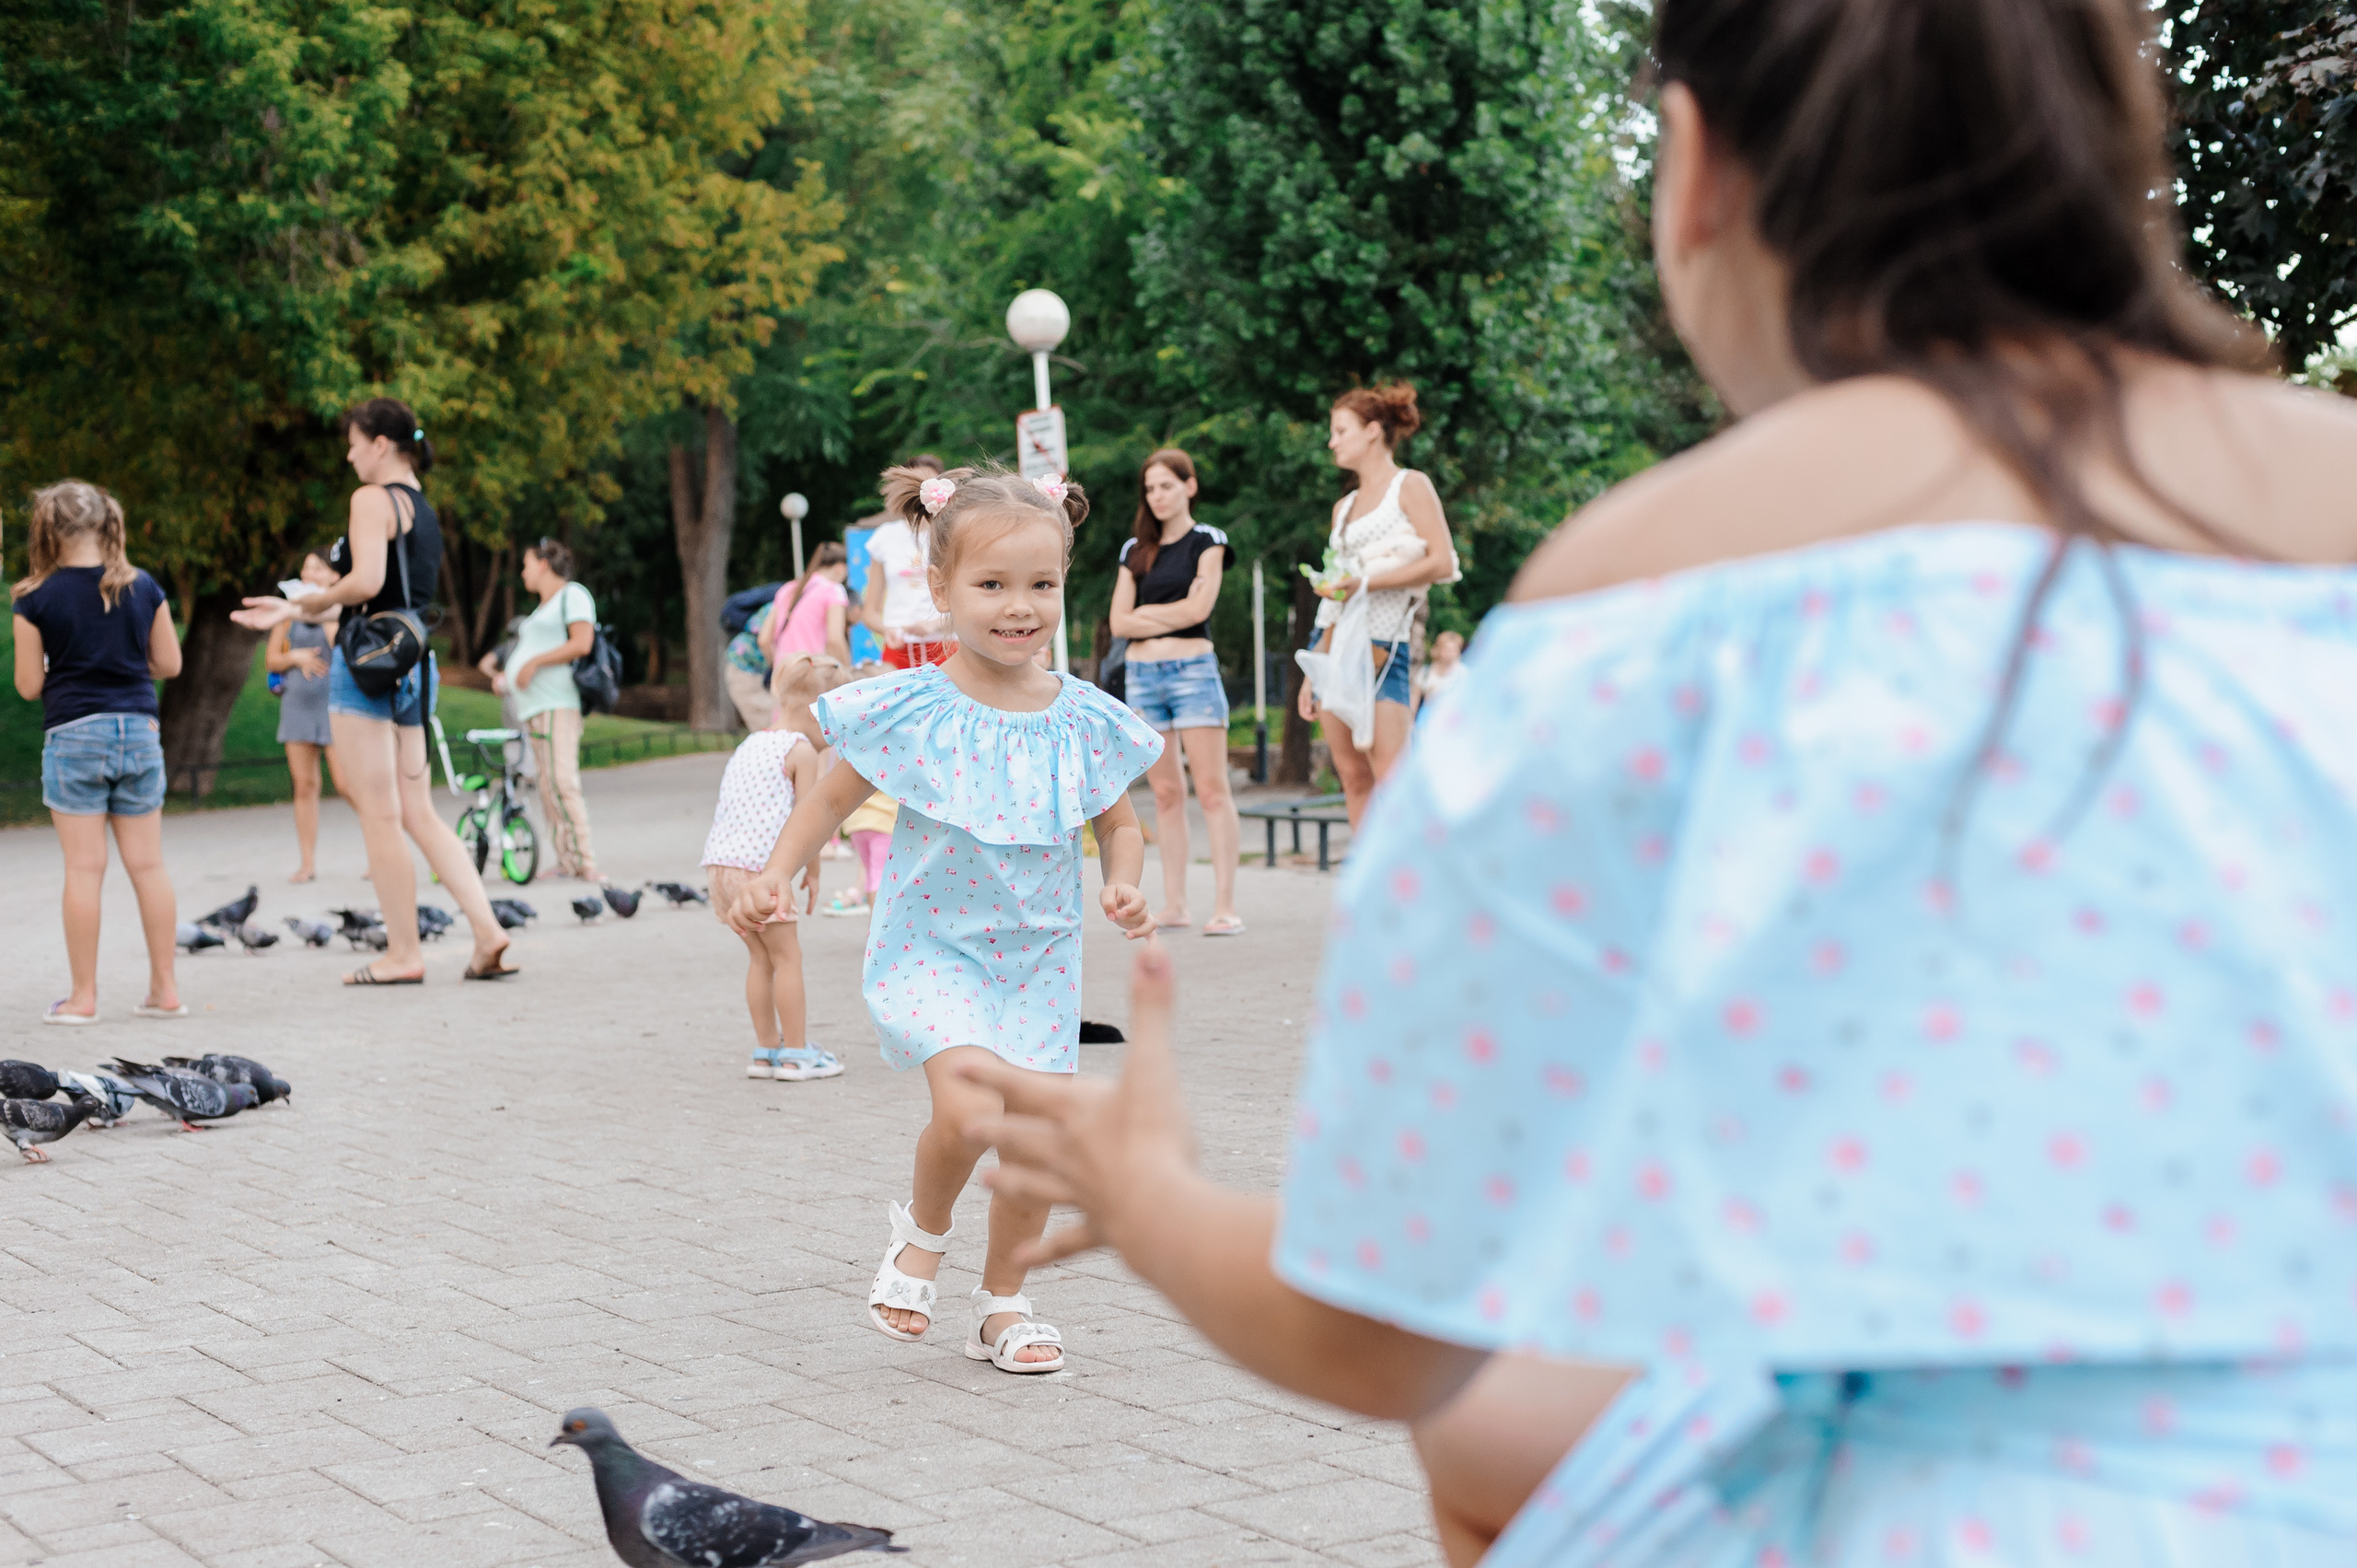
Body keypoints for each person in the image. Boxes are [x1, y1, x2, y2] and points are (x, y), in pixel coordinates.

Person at [965, 0, 2357, 1562]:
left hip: (1861, 1512)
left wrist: (1145, 1189)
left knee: (1495, 1429)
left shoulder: (1630, 606)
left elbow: (1382, 1333)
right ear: (2125, 154)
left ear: (1694, 174)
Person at [727, 462, 1161, 1374]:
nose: (1019, 606)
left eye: (1040, 584)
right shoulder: (914, 705)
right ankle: (921, 1231)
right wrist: (775, 870)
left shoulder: (1080, 719)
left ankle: (1003, 1301)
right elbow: (830, 797)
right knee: (966, 1115)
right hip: (934, 951)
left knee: (1036, 1144)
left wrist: (1123, 882)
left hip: (1037, 963)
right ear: (940, 588)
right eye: (992, 584)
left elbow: (1121, 823)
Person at [233, 397, 515, 984]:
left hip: (365, 666)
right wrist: (298, 604)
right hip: (413, 665)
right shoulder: (423, 507)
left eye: (355, 442)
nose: (349, 453)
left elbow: (366, 581)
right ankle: (489, 932)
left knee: (381, 817)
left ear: (381, 444)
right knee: (420, 812)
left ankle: (403, 954)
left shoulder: (369, 499)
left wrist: (300, 602)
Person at [10, 480, 185, 1025]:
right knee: (149, 864)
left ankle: (83, 999)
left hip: (75, 733)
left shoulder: (34, 598)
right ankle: (166, 991)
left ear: (46, 529)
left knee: (85, 869)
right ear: (106, 524)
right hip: (138, 731)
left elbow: (27, 687)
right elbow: (170, 665)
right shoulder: (144, 587)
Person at [1296, 383, 1460, 827]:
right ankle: (1366, 892)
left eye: (1340, 430)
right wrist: (1315, 666)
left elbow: (1443, 562)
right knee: (1353, 777)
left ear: (1372, 431)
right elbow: (1336, 593)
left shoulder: (1410, 485)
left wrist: (1366, 581)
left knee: (1396, 778)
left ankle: (1420, 887)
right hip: (1335, 644)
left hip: (1387, 645)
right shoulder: (1344, 508)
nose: (1332, 441)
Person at [1109, 447, 1245, 935]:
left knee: (1211, 790)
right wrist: (1160, 618)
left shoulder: (1208, 541)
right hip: (1144, 677)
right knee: (1165, 793)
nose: (1157, 495)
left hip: (1192, 671)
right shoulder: (1135, 551)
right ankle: (1176, 904)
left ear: (1189, 486)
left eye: (1167, 485)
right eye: (1150, 487)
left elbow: (1198, 609)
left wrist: (1147, 619)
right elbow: (1118, 621)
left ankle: (1225, 906)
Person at [704, 654, 844, 1084]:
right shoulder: (800, 752)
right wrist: (814, 872)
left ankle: (766, 1049)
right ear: (812, 712)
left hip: (721, 869)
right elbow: (810, 819)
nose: (839, 734)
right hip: (761, 871)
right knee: (788, 958)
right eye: (836, 721)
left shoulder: (752, 743)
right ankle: (797, 1053)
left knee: (760, 961)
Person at [494, 539, 598, 881]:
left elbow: (582, 643)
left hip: (558, 704)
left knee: (562, 781)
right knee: (547, 785)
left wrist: (533, 663)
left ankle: (586, 861)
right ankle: (566, 860)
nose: (523, 573)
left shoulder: (574, 595)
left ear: (542, 565)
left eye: (526, 565)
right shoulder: (544, 608)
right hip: (534, 707)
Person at [267, 550, 344, 883]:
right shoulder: (288, 612)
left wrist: (325, 612)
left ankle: (378, 851)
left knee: (347, 783)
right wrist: (295, 656)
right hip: (297, 705)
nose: (309, 573)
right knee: (304, 785)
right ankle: (307, 863)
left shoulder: (340, 610)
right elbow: (271, 659)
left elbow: (343, 650)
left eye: (318, 567)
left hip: (334, 704)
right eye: (306, 567)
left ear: (333, 576)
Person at [855, 454, 958, 669]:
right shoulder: (884, 537)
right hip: (899, 648)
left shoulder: (951, 534)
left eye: (927, 483)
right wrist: (887, 630)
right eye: (914, 483)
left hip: (946, 646)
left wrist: (933, 626)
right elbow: (870, 612)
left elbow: (968, 601)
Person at [768, 541, 854, 668]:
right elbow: (834, 639)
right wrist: (848, 673)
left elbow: (764, 639)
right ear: (840, 568)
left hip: (783, 672)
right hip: (812, 670)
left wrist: (777, 666)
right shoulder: (833, 590)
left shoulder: (787, 589)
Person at [1411, 628, 1466, 719]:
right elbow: (1414, 700)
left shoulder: (1463, 674)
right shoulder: (1426, 672)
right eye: (1446, 649)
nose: (1449, 653)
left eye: (1453, 649)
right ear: (1438, 649)